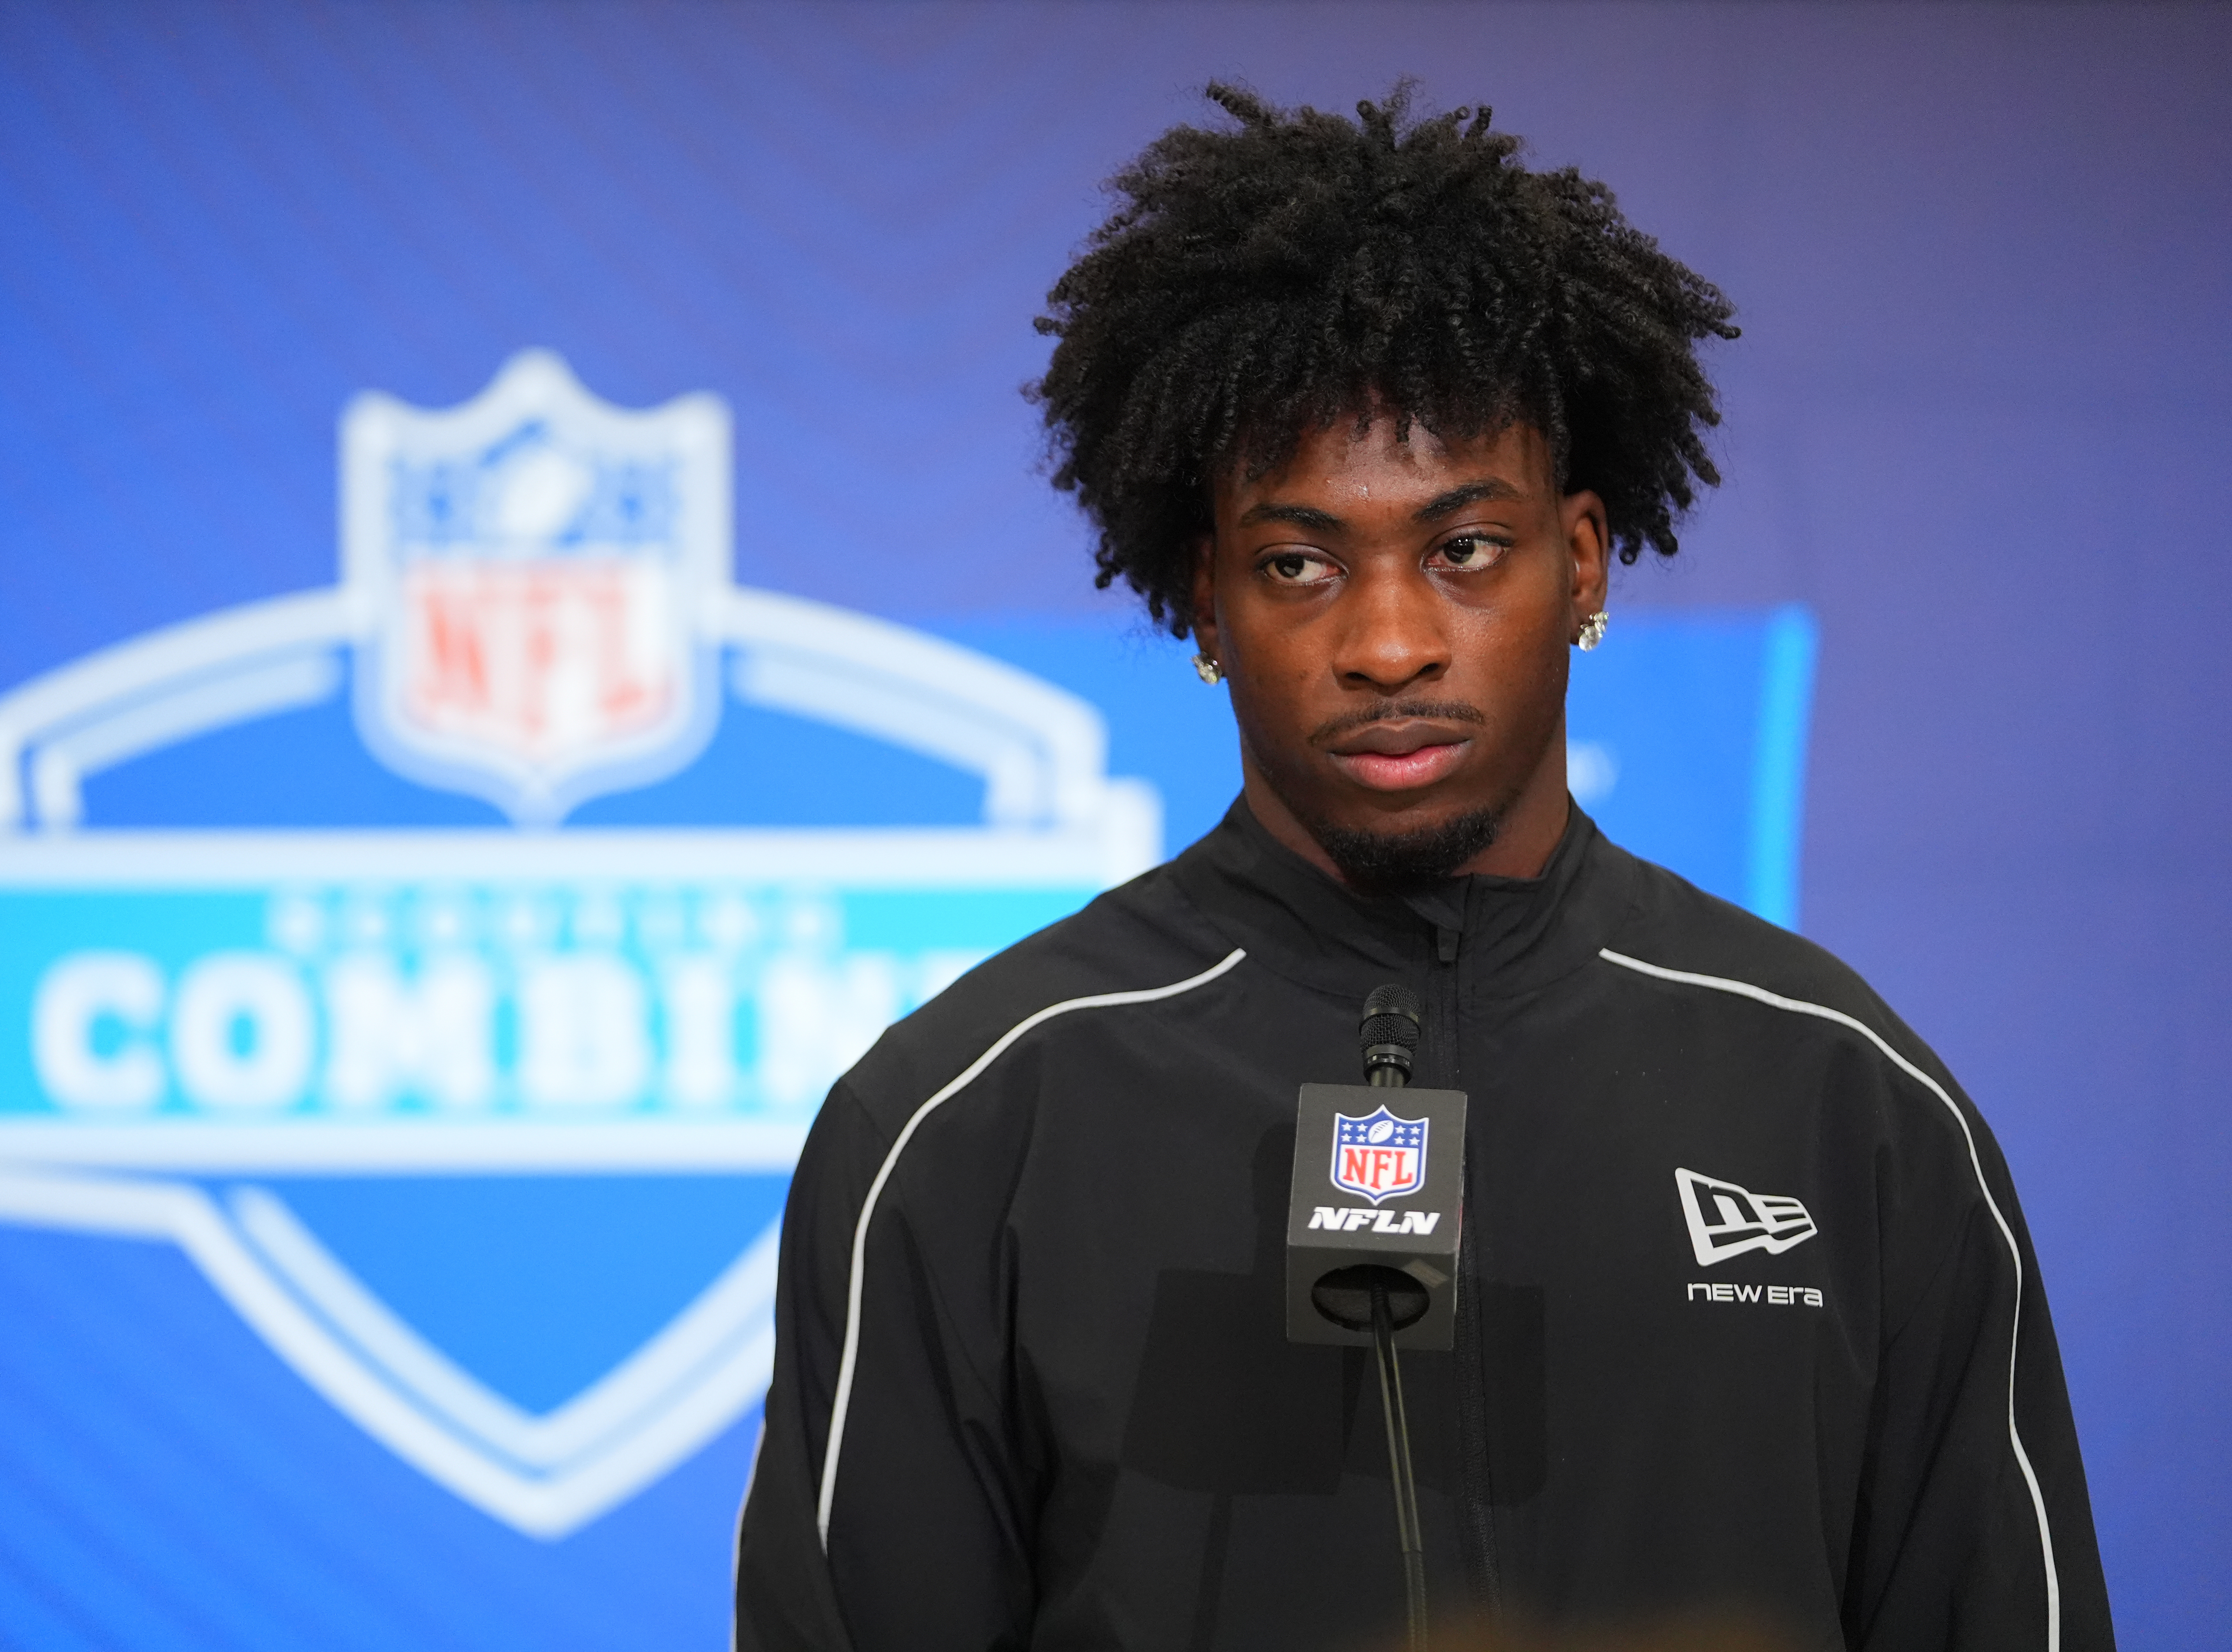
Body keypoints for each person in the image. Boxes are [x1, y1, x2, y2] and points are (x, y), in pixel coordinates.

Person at [734, 83, 2110, 1651]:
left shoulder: (1846, 1100)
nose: (1387, 644)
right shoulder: (967, 1124)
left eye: (1464, 549)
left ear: (1581, 563)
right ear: (1203, 601)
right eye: (1299, 563)